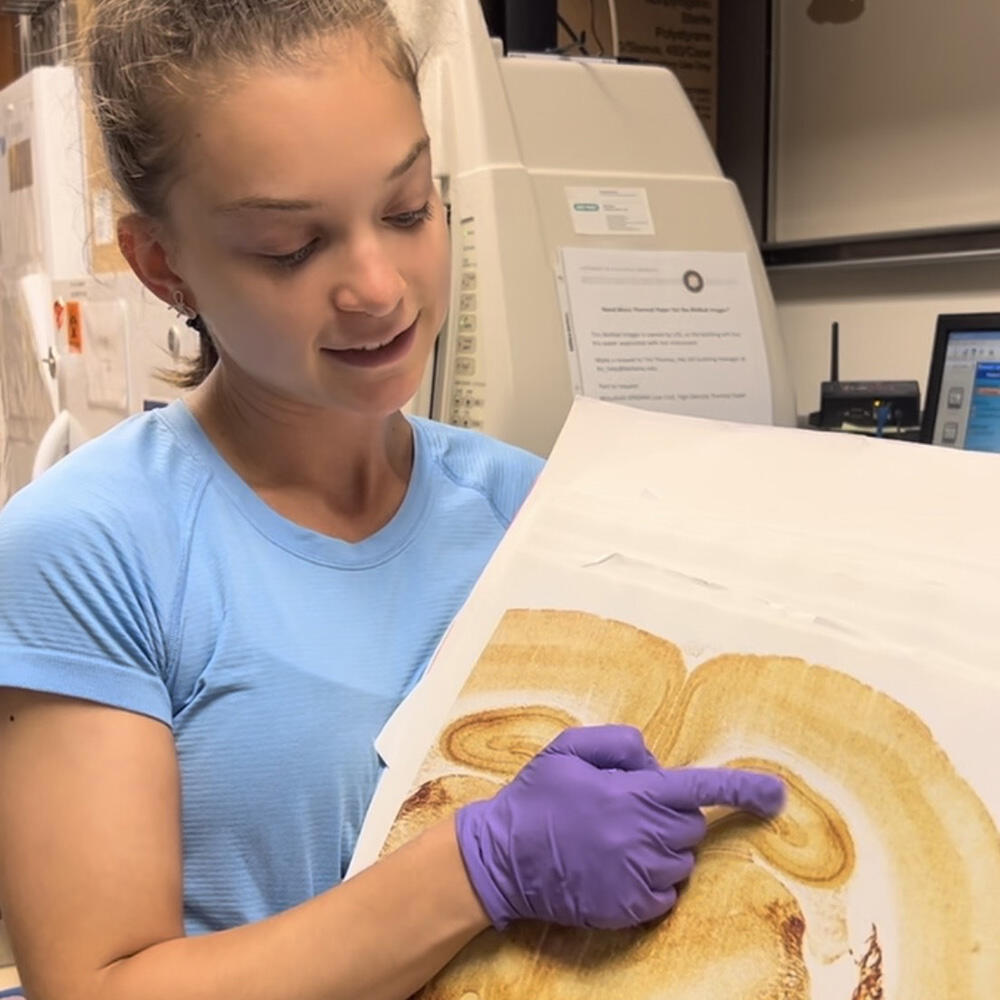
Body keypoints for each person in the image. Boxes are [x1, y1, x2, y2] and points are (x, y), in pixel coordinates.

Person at [0, 2, 784, 998]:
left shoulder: (525, 509)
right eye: (291, 246)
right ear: (163, 264)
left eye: (409, 209)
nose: (377, 285)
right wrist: (477, 865)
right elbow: (99, 985)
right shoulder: (90, 548)